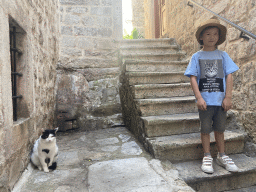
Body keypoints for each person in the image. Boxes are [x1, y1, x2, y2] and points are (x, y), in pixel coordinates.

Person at [184, 18, 239, 174]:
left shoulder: (223, 55)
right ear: (201, 37)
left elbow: (229, 75)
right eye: (207, 34)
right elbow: (193, 77)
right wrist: (199, 98)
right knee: (205, 129)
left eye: (215, 34)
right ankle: (207, 156)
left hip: (220, 102)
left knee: (220, 130)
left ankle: (222, 156)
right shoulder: (197, 57)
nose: (211, 37)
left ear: (219, 37)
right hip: (205, 102)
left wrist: (228, 97)